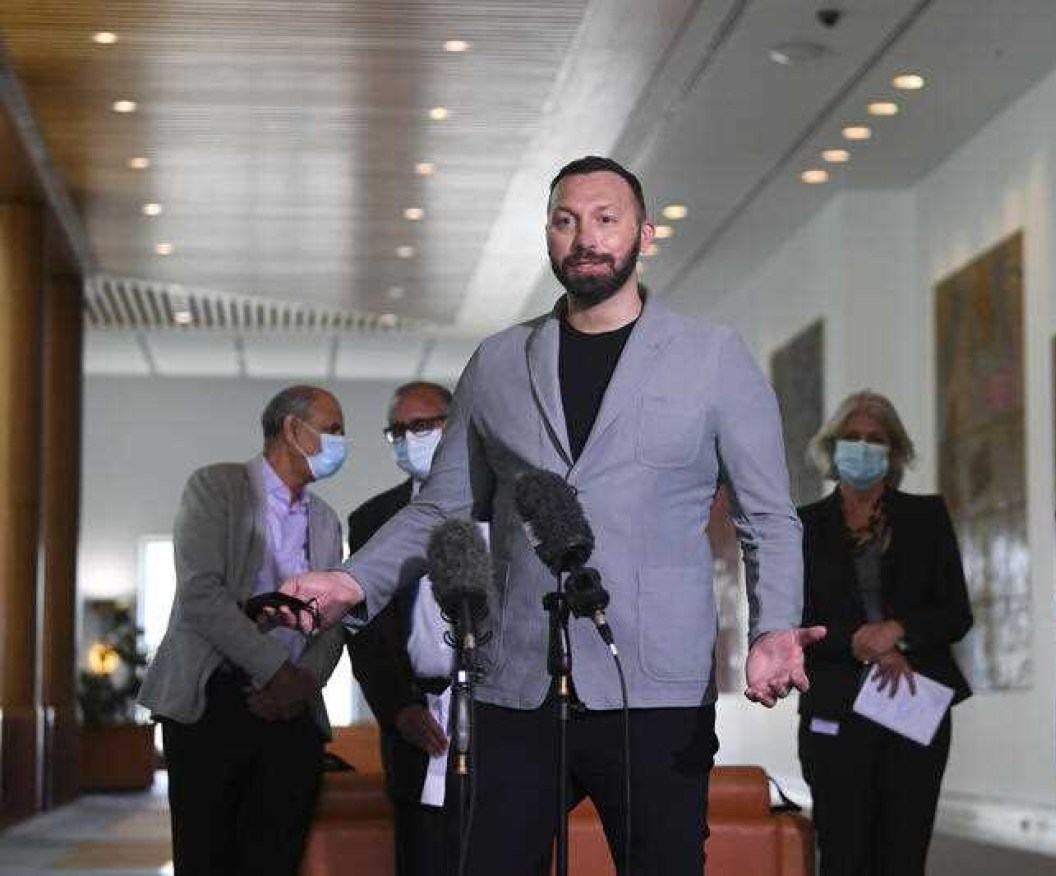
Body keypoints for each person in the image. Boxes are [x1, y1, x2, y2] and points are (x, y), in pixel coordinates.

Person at [278, 155, 824, 873]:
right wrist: (352, 582)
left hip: (653, 681)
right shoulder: (499, 362)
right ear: (547, 234)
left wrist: (775, 625)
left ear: (644, 234)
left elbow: (767, 515)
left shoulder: (712, 358)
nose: (585, 237)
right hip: (519, 680)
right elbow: (442, 506)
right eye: (566, 221)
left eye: (605, 219)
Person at [138, 385, 349, 876]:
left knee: (276, 856)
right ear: (293, 430)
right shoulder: (217, 487)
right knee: (208, 855)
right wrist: (276, 671)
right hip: (213, 700)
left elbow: (336, 618)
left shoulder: (326, 521)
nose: (342, 442)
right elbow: (201, 595)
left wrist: (300, 683)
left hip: (293, 708)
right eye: (334, 429)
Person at [796, 391, 973, 875]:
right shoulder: (804, 527)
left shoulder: (926, 518)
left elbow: (956, 613)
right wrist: (860, 642)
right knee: (842, 853)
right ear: (832, 448)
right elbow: (792, 621)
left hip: (913, 703)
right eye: (852, 438)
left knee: (903, 853)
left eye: (876, 439)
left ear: (894, 453)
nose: (863, 447)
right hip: (835, 705)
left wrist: (899, 631)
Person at [346, 381, 456, 876]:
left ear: (456, 427)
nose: (409, 439)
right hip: (415, 719)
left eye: (422, 426)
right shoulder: (372, 518)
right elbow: (365, 629)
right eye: (398, 431)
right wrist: (397, 708)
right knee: (422, 856)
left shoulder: (500, 501)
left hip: (494, 719)